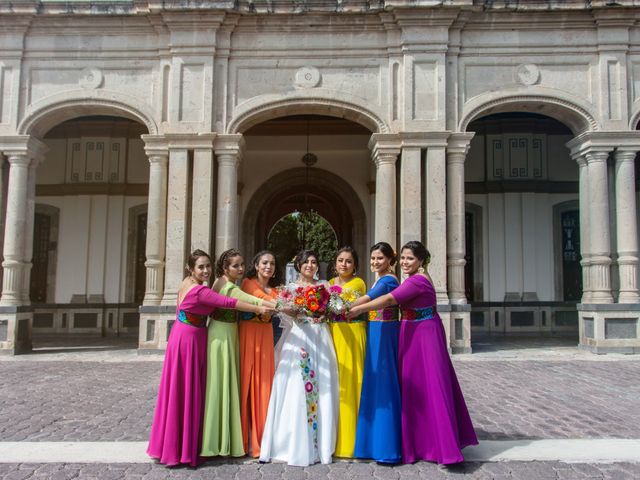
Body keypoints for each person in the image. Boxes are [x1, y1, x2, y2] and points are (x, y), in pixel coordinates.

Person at [348, 241, 478, 465]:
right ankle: (423, 442)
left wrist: (357, 309)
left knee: (431, 386)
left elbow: (389, 299)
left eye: (410, 258)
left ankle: (441, 447)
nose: (406, 262)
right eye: (405, 258)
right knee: (416, 389)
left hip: (423, 335)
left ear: (420, 261)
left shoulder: (417, 280)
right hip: (413, 333)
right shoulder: (412, 279)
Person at [147, 249, 271, 467]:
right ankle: (181, 449)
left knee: (180, 391)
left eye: (207, 266)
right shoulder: (198, 290)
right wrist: (260, 307)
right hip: (189, 340)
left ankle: (174, 444)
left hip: (185, 334)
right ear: (190, 269)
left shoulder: (188, 283)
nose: (205, 270)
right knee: (186, 391)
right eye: (200, 267)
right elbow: (230, 302)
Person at [259, 250, 339, 467]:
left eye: (314, 262)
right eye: (306, 262)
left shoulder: (325, 287)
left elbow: (332, 311)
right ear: (299, 266)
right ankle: (291, 441)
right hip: (300, 336)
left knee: (323, 384)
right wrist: (296, 308)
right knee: (297, 384)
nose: (311, 266)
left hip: (320, 335)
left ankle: (320, 443)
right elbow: (286, 314)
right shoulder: (290, 289)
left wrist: (324, 313)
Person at [200, 249, 276, 458]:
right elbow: (247, 299)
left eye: (242, 264)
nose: (241, 269)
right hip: (222, 334)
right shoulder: (228, 286)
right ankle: (218, 441)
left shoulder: (222, 282)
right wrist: (276, 305)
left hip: (227, 332)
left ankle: (222, 437)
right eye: (235, 265)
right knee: (220, 385)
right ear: (225, 268)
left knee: (224, 385)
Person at [346, 241, 402, 464]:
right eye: (373, 258)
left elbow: (368, 299)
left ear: (389, 260)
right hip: (377, 331)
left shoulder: (388, 280)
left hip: (385, 333)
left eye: (380, 258)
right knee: (375, 383)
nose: (375, 262)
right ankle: (372, 442)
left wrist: (339, 306)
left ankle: (385, 445)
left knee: (383, 385)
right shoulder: (381, 279)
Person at [239, 250, 279, 458]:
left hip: (265, 334)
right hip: (248, 333)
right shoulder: (248, 283)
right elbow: (260, 300)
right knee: (248, 381)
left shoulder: (274, 290)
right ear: (256, 265)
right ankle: (246, 438)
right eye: (264, 263)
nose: (268, 267)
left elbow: (271, 301)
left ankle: (264, 436)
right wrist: (283, 306)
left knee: (265, 384)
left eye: (272, 263)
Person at [328, 246, 366, 458]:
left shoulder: (358, 283)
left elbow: (351, 305)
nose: (344, 264)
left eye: (348, 261)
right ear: (335, 263)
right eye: (340, 260)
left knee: (352, 382)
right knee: (335, 384)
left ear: (355, 265)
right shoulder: (330, 284)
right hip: (333, 332)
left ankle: (352, 440)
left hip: (352, 333)